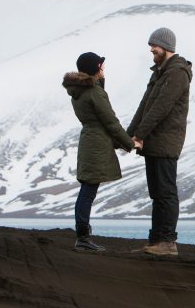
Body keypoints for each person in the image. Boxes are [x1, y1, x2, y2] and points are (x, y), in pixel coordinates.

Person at [63, 51, 138, 252]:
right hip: (96, 144)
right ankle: (83, 238)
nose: (103, 69)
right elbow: (110, 121)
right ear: (95, 68)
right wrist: (130, 144)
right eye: (101, 66)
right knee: (88, 192)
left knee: (86, 191)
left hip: (88, 141)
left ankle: (82, 236)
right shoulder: (94, 93)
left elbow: (96, 111)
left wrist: (100, 84)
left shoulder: (79, 91)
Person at [127, 27, 192, 256]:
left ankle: (167, 242)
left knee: (165, 192)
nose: (151, 49)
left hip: (165, 141)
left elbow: (161, 108)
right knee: (157, 193)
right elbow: (145, 105)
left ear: (165, 46)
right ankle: (155, 241)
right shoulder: (160, 72)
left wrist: (140, 135)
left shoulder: (177, 72)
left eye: (154, 46)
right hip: (154, 141)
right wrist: (129, 135)